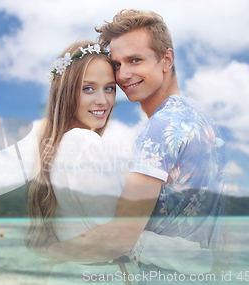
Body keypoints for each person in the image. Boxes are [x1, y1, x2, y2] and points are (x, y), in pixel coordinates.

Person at [43, 9, 229, 284]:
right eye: (117, 64)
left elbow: (120, 237)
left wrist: (54, 253)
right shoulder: (205, 121)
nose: (124, 75)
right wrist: (211, 260)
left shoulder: (159, 129)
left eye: (135, 60)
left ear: (167, 60)